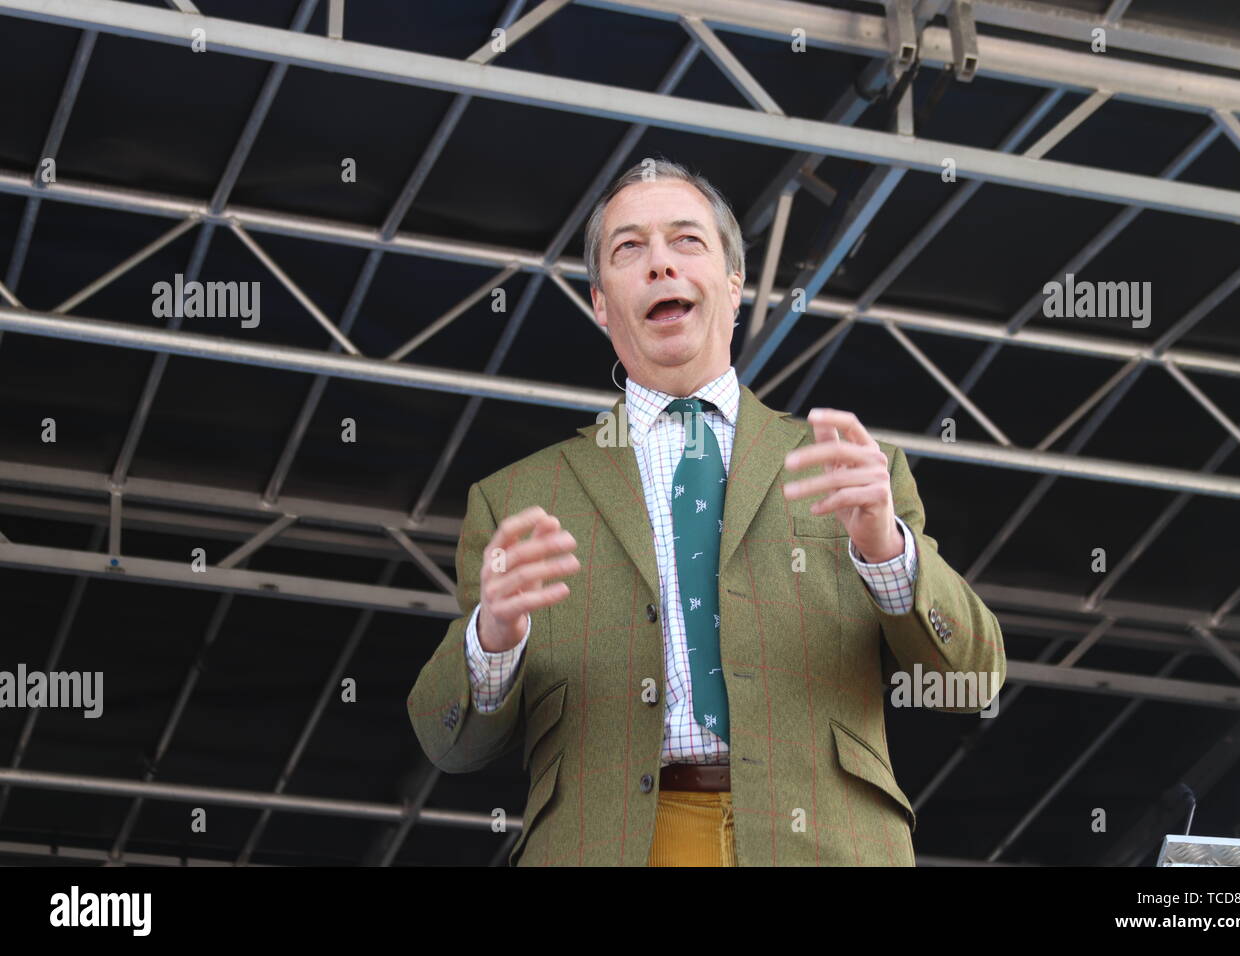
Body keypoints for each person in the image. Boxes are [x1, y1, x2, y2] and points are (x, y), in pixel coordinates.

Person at [407, 158, 1005, 866]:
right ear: (601, 302)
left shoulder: (847, 467)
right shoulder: (518, 501)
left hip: (825, 846)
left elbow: (974, 676)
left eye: (686, 240)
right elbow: (450, 742)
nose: (660, 264)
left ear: (733, 282)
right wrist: (494, 636)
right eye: (630, 249)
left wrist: (886, 550)